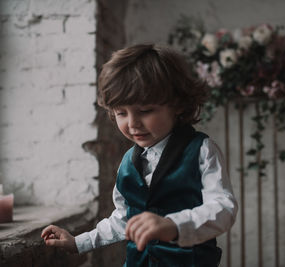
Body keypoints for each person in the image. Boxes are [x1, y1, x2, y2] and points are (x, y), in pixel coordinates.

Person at [41, 43, 238, 267]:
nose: (132, 124)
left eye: (145, 111)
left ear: (178, 105)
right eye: (121, 113)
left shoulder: (201, 150)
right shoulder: (127, 163)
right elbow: (123, 219)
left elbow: (223, 208)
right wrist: (78, 242)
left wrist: (173, 225)